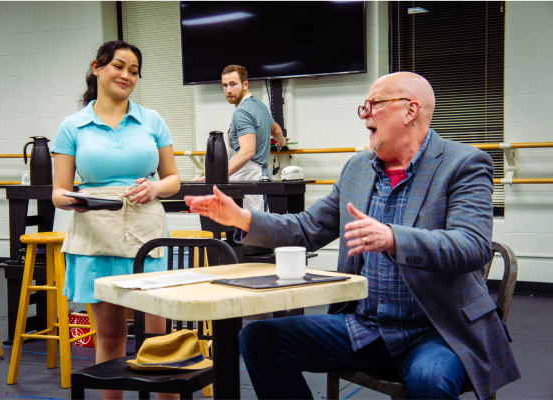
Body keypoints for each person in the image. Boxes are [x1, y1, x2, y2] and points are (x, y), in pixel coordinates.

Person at [185, 72, 521, 400]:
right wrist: (243, 218)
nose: (365, 116)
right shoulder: (358, 169)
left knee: (429, 380)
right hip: (364, 328)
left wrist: (393, 238)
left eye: (373, 105)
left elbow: (472, 246)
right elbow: (306, 228)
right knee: (258, 339)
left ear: (410, 110)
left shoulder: (464, 164)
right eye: (364, 107)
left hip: (437, 331)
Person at [51, 40, 180, 400]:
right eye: (118, 66)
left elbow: (173, 179)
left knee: (158, 337)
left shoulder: (151, 120)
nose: (126, 75)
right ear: (97, 67)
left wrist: (155, 188)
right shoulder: (73, 126)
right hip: (95, 232)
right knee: (110, 337)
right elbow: (58, 191)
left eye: (134, 71)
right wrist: (76, 200)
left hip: (147, 234)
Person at [196, 65, 287, 211]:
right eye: (225, 85)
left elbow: (247, 151)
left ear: (245, 84)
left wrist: (219, 176)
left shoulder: (242, 112)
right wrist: (282, 142)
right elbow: (276, 130)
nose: (228, 90)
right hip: (262, 175)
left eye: (233, 84)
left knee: (250, 231)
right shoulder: (260, 106)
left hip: (248, 177)